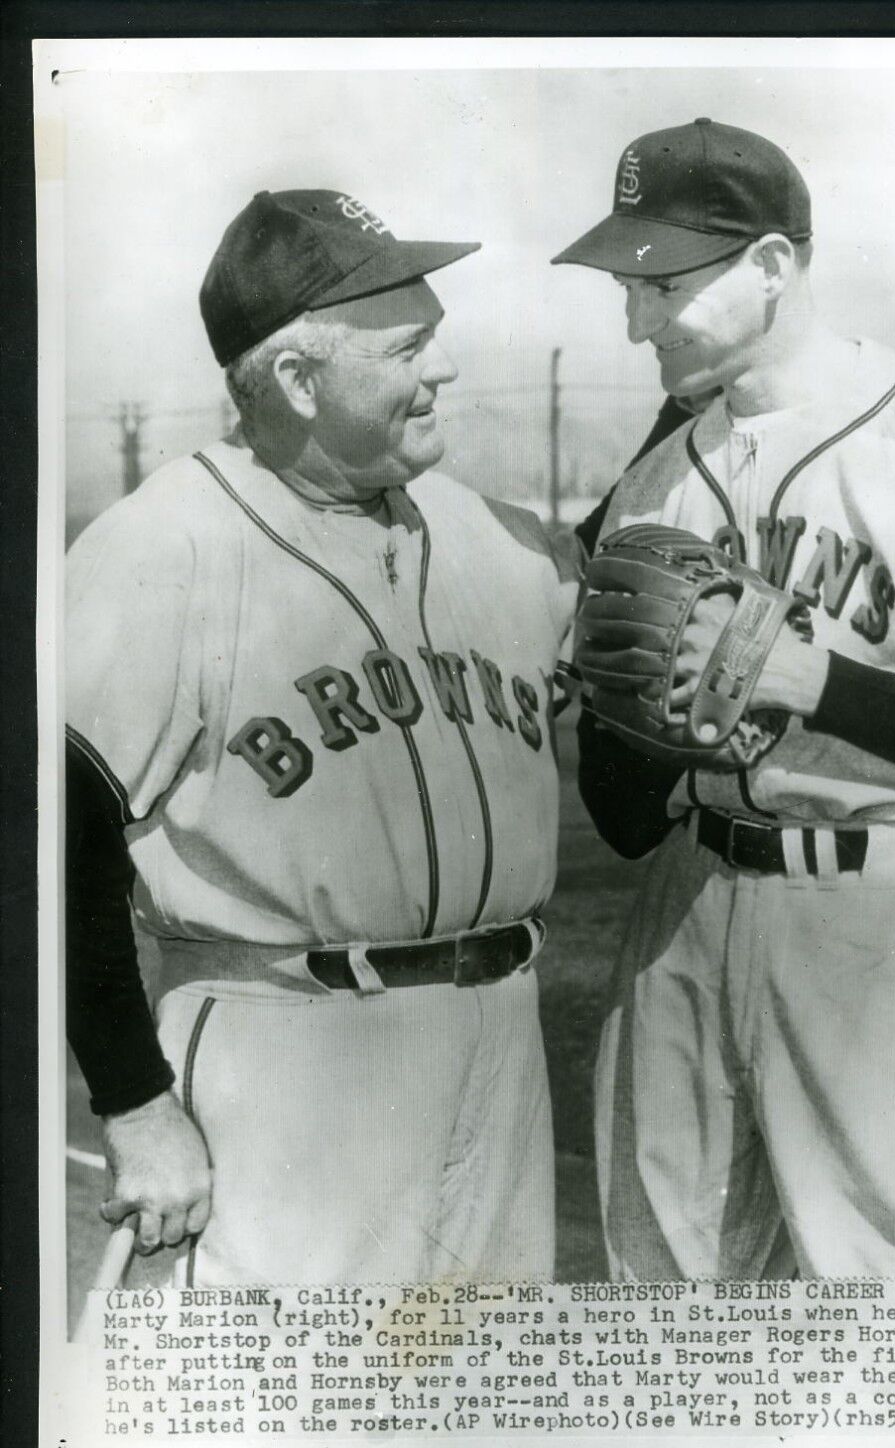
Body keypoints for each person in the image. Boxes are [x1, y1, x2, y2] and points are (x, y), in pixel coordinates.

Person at [553, 119, 895, 1281]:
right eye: (626, 288)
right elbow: (625, 817)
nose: (636, 320)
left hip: (891, 909)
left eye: (662, 283)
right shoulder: (650, 481)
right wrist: (642, 726)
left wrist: (818, 684)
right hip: (683, 910)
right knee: (671, 1312)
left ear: (773, 267)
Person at [67, 189, 580, 1286]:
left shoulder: (502, 539)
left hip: (504, 1040)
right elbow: (48, 840)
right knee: (280, 1429)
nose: (443, 369)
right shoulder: (161, 548)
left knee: (483, 1420)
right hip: (287, 1044)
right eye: (410, 346)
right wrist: (133, 1100)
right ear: (298, 382)